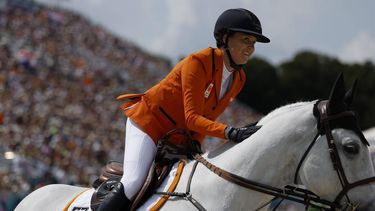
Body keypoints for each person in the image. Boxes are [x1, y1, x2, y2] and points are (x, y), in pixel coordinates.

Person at [97, 8, 270, 211]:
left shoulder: (239, 79)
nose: (250, 48)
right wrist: (230, 132)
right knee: (134, 181)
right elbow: (193, 118)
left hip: (177, 138)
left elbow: (209, 115)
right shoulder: (198, 62)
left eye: (253, 43)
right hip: (149, 124)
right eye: (245, 40)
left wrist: (195, 144)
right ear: (225, 37)